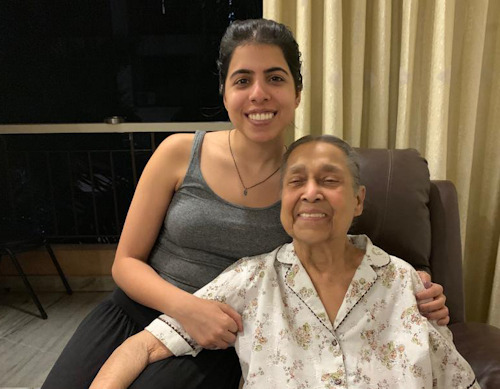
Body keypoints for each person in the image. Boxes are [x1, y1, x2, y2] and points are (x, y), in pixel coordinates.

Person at [42, 19, 449, 389]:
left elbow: (345, 250)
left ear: (297, 92)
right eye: (242, 80)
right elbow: (125, 261)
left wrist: (418, 288)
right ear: (224, 92)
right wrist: (188, 308)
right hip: (133, 313)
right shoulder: (179, 153)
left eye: (274, 77)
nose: (259, 94)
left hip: (218, 339)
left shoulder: (302, 184)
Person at [89, 134, 478, 389]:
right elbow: (139, 348)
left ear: (359, 200)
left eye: (329, 180)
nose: (311, 193)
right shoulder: (249, 280)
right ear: (282, 203)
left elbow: (456, 379)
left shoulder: (405, 282)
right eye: (296, 182)